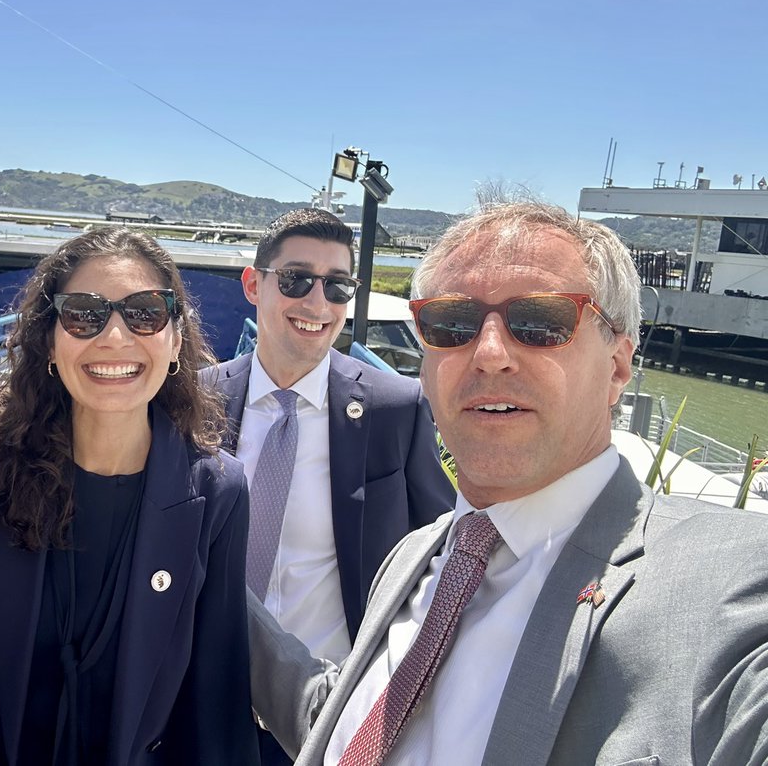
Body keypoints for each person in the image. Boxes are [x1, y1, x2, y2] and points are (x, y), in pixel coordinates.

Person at [250, 201, 768, 765]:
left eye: (540, 323)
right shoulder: (414, 559)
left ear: (618, 366)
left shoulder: (726, 588)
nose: (490, 354)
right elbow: (347, 726)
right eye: (453, 324)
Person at [0, 226, 258, 766]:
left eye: (145, 313)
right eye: (84, 314)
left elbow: (215, 689)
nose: (114, 337)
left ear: (175, 341)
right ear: (49, 341)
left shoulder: (216, 490)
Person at [201, 208, 453, 764]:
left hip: (331, 712)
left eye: (337, 286)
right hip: (204, 700)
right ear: (253, 283)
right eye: (296, 280)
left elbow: (444, 551)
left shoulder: (396, 408)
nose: (318, 304)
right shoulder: (194, 403)